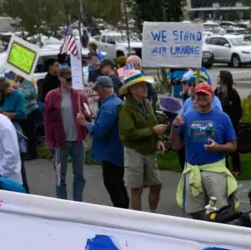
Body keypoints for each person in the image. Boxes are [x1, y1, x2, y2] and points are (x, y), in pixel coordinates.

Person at [170, 82, 238, 216]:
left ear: (212, 97)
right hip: (193, 170)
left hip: (215, 169)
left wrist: (218, 147)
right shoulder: (187, 117)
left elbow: (233, 146)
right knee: (195, 212)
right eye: (198, 95)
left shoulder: (223, 118)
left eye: (204, 95)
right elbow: (177, 146)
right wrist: (174, 127)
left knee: (219, 212)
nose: (201, 97)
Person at [115, 69, 165, 212]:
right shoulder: (125, 108)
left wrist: (159, 139)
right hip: (134, 151)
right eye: (141, 86)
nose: (145, 88)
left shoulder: (147, 104)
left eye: (144, 85)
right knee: (136, 188)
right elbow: (128, 134)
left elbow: (153, 122)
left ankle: (152, 214)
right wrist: (153, 131)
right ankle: (137, 219)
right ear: (132, 89)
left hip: (149, 150)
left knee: (157, 184)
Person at [43, 66, 90, 202]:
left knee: (79, 175)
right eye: (67, 79)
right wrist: (50, 140)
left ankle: (77, 202)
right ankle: (62, 203)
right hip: (60, 142)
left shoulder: (80, 95)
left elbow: (88, 117)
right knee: (60, 176)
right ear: (60, 78)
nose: (70, 81)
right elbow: (47, 120)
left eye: (71, 79)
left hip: (77, 141)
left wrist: (86, 130)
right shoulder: (51, 96)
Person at [85, 76, 128, 208]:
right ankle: (125, 209)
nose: (96, 92)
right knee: (119, 183)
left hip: (110, 152)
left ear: (102, 89)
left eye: (97, 89)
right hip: (118, 150)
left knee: (112, 184)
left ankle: (121, 212)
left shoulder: (109, 106)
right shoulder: (117, 102)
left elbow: (100, 131)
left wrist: (85, 124)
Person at [217, 69, 244, 174]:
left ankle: (236, 168)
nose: (218, 78)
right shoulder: (217, 91)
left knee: (233, 147)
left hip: (231, 124)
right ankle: (224, 166)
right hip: (219, 123)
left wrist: (233, 122)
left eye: (219, 76)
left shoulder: (232, 93)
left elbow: (238, 110)